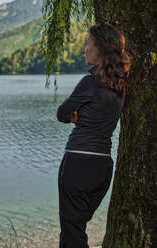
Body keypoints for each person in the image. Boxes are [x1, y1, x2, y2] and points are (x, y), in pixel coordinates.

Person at [56, 23, 131, 248]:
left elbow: (62, 113)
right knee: (77, 227)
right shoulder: (121, 86)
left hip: (78, 161)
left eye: (87, 44)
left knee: (72, 231)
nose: (83, 50)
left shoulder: (89, 83)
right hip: (103, 167)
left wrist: (72, 112)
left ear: (100, 47)